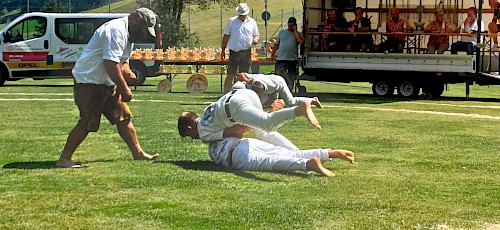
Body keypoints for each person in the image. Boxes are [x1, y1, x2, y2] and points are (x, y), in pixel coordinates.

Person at [56, 8, 159, 168]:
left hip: (106, 83)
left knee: (123, 117)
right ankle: (64, 159)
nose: (144, 35)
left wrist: (128, 72)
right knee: (88, 121)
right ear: (136, 20)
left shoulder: (128, 36)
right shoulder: (115, 30)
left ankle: (138, 154)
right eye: (144, 30)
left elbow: (122, 62)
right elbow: (110, 63)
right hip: (89, 82)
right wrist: (124, 88)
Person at [177, 88, 321, 143]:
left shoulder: (203, 134)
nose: (193, 138)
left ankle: (300, 109)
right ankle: (298, 154)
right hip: (242, 93)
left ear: (189, 127)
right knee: (264, 132)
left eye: (189, 135)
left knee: (267, 123)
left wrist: (268, 113)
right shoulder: (206, 111)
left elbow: (237, 132)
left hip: (234, 107)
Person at [209, 137, 355, 177]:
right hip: (246, 143)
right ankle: (328, 153)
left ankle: (307, 164)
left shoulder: (209, 138)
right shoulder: (217, 126)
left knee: (272, 162)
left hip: (235, 156)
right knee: (287, 153)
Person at [220, 3, 260, 93]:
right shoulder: (231, 21)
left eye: (243, 15)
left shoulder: (252, 22)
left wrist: (255, 40)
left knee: (243, 76)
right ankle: (225, 94)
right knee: (230, 75)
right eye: (240, 14)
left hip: (246, 52)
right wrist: (223, 49)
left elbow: (256, 34)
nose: (242, 16)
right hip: (234, 52)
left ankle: (240, 94)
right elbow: (226, 36)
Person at [231, 72, 323, 110]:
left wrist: (273, 95)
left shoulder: (259, 86)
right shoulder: (245, 83)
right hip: (268, 85)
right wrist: (245, 79)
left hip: (279, 83)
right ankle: (271, 103)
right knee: (259, 106)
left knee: (290, 102)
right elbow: (239, 74)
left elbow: (259, 87)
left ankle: (313, 100)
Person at [271, 16, 304, 90]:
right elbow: (277, 44)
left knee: (291, 76)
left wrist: (295, 30)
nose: (291, 25)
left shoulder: (298, 34)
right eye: (290, 23)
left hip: (292, 59)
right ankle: (278, 89)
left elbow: (301, 41)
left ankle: (289, 89)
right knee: (278, 75)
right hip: (281, 58)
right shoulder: (282, 32)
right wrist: (273, 53)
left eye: (293, 24)